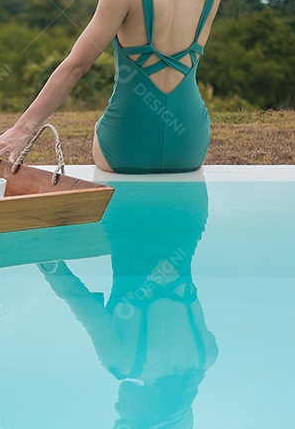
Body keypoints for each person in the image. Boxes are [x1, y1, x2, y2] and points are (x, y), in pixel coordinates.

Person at [0, 0, 230, 174]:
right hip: (188, 144)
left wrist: (22, 130)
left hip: (124, 149)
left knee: (102, 126)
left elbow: (76, 67)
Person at [39, 178, 217, 427]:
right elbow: (78, 299)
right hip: (128, 211)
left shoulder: (206, 355)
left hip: (189, 206)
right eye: (124, 418)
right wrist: (43, 259)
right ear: (150, 415)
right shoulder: (121, 362)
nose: (117, 407)